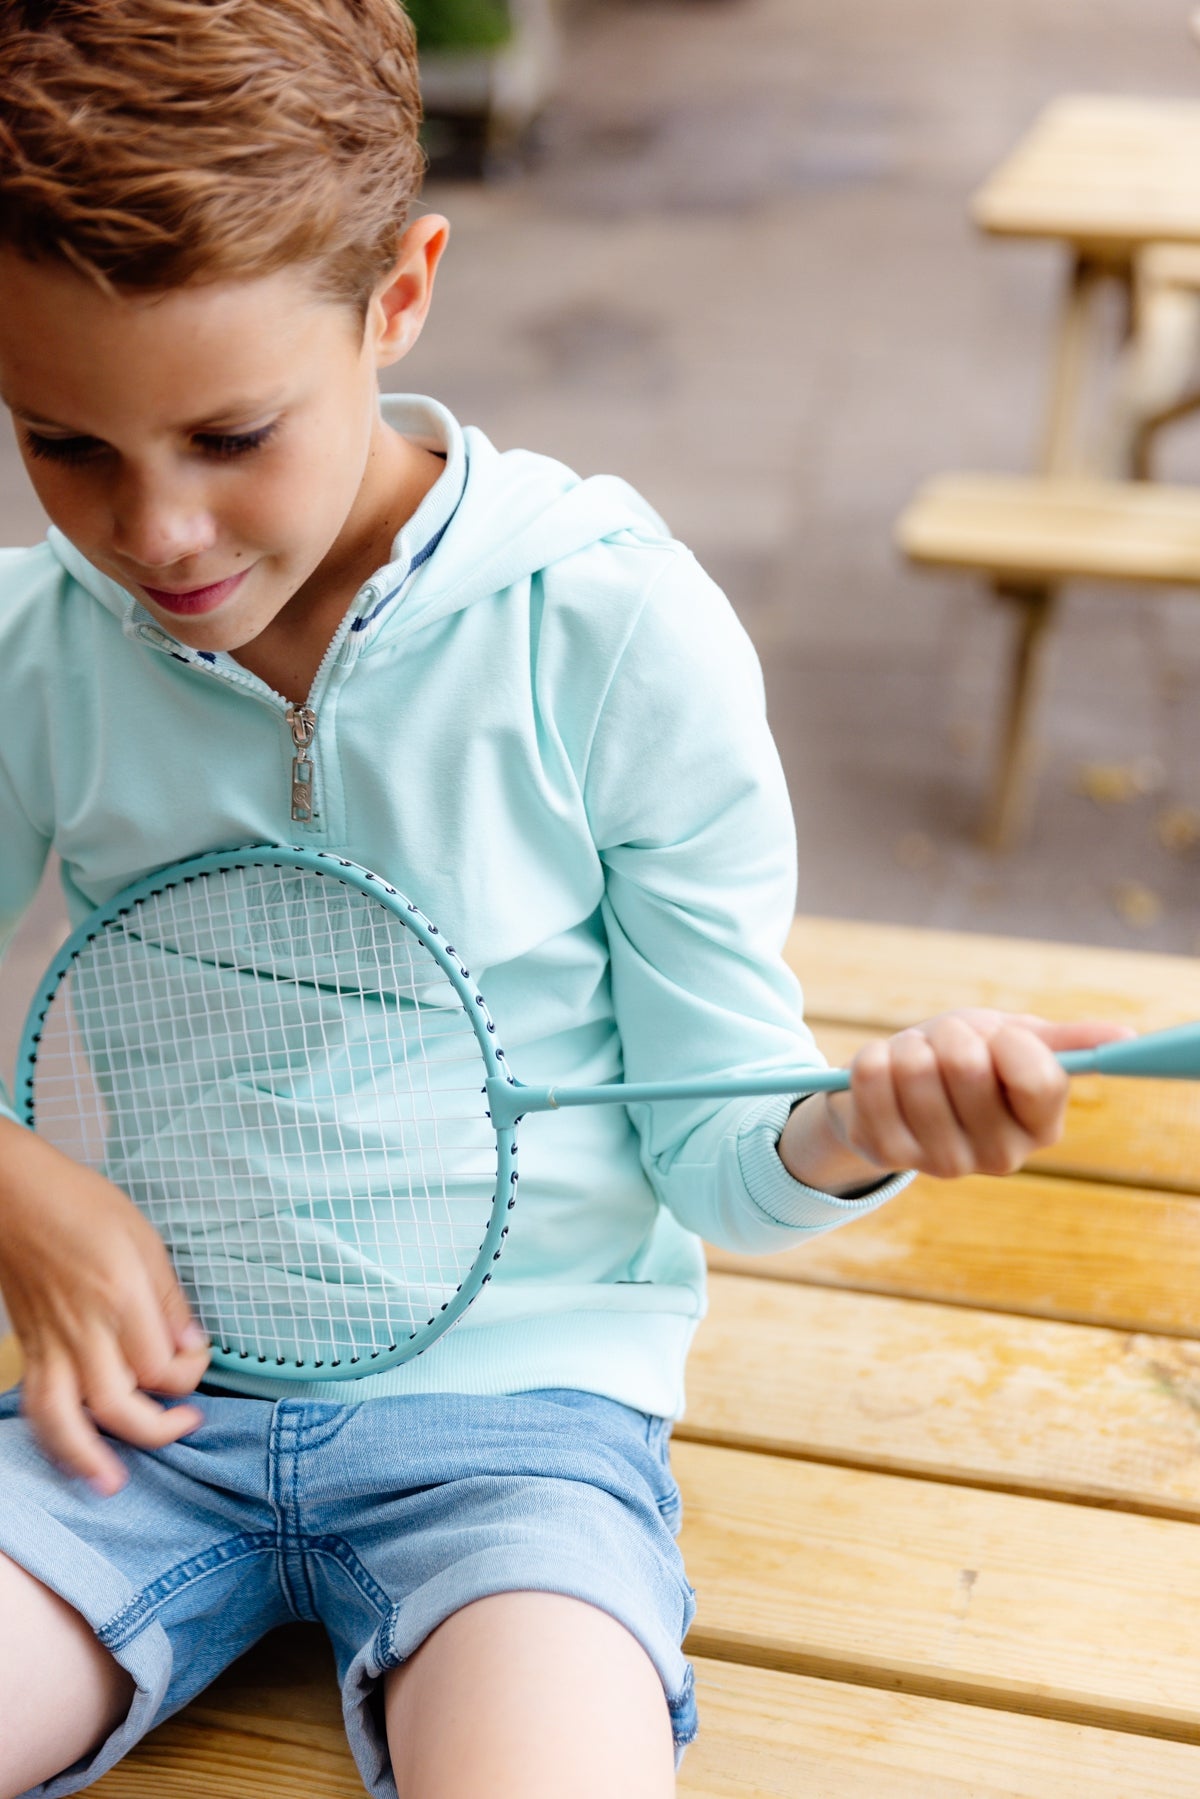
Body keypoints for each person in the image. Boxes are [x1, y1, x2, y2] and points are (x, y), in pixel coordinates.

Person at [0, 3, 1127, 1796]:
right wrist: (22, 1189)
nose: (159, 539)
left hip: (520, 1436)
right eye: (65, 448)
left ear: (401, 294)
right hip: (130, 1418)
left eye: (230, 434)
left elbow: (720, 1150)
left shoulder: (611, 629)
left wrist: (865, 1124)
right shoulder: (37, 654)